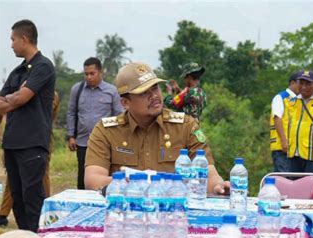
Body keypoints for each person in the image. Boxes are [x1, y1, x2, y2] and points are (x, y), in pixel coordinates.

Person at [85, 62, 229, 195]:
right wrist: (135, 182)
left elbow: (209, 174)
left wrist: (219, 186)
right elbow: (93, 179)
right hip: (125, 212)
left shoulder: (185, 126)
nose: (154, 96)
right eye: (144, 92)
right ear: (125, 102)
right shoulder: (106, 131)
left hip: (175, 213)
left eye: (155, 88)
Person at [0, 19, 55, 232]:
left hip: (32, 143)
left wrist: (12, 99)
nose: (11, 44)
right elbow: (2, 102)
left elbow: (20, 99)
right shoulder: (17, 72)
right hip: (12, 143)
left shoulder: (43, 66)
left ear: (24, 38)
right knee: (19, 201)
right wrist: (13, 97)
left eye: (13, 39)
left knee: (33, 199)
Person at [0, 91, 60, 227]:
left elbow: (47, 116)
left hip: (38, 141)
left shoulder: (50, 94)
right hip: (16, 140)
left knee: (40, 178)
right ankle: (3, 213)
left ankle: (44, 213)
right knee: (13, 178)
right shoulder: (15, 91)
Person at [66, 57, 123, 190]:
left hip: (106, 144)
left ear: (100, 72)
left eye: (92, 73)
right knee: (83, 179)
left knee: (103, 178)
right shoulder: (77, 90)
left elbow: (120, 116)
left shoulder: (112, 91)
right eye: (86, 74)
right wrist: (70, 136)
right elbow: (71, 113)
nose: (89, 77)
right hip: (82, 142)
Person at [270, 72, 300, 172]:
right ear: (292, 83)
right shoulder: (281, 98)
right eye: (301, 83)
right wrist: (284, 140)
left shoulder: (300, 100)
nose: (303, 87)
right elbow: (277, 118)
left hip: (297, 149)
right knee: (283, 177)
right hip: (282, 147)